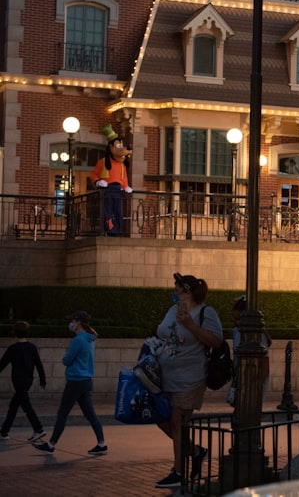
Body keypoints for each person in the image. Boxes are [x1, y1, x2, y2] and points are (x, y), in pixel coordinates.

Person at [151, 274, 224, 489]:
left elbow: (216, 340)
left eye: (178, 289)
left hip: (190, 378)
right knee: (161, 418)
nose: (175, 292)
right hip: (166, 376)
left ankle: (178, 471)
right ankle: (195, 451)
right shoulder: (173, 310)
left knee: (176, 420)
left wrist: (191, 326)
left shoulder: (205, 312)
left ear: (189, 291)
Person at [32, 311, 107, 456]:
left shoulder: (78, 340)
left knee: (63, 412)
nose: (71, 323)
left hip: (76, 381)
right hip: (85, 381)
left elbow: (67, 360)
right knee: (90, 414)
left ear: (78, 322)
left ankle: (51, 444)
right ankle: (102, 444)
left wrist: (66, 357)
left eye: (73, 320)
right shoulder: (90, 339)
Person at [0, 321, 47, 442]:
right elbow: (38, 364)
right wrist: (42, 379)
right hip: (28, 380)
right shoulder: (31, 347)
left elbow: (2, 364)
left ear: (14, 333)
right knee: (14, 405)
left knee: (26, 406)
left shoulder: (13, 349)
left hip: (18, 381)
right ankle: (4, 431)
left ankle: (39, 428)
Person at [88, 125, 133, 236]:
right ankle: (109, 229)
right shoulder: (103, 162)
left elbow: (124, 177)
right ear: (111, 147)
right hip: (107, 189)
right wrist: (98, 181)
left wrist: (126, 186)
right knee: (107, 210)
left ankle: (117, 230)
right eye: (117, 145)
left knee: (118, 211)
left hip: (118, 190)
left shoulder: (122, 165)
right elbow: (93, 174)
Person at [228, 296, 272, 406]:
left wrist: (255, 386)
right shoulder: (236, 332)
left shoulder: (259, 335)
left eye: (239, 319)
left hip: (254, 380)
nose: (236, 322)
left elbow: (265, 366)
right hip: (240, 378)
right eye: (235, 319)